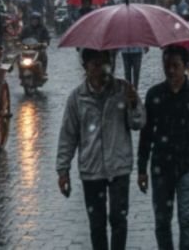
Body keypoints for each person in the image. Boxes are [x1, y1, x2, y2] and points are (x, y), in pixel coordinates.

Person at [56, 48, 146, 250]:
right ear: (86, 67)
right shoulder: (77, 98)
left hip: (119, 167)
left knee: (119, 220)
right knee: (97, 225)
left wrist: (133, 103)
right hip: (91, 169)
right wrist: (63, 170)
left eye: (105, 63)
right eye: (95, 64)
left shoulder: (123, 90)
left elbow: (138, 123)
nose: (101, 69)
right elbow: (68, 135)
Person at [137, 45, 189, 250]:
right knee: (162, 220)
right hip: (161, 165)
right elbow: (146, 134)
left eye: (175, 66)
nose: (171, 71)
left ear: (185, 66)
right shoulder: (154, 94)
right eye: (167, 66)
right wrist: (142, 168)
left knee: (187, 218)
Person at [21, 11, 51, 75]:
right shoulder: (26, 28)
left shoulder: (43, 28)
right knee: (18, 57)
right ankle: (20, 72)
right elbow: (21, 37)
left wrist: (45, 43)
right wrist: (18, 42)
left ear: (39, 20)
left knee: (44, 55)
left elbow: (47, 37)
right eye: (33, 20)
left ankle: (43, 71)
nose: (35, 21)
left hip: (39, 48)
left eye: (36, 20)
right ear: (31, 20)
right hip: (28, 48)